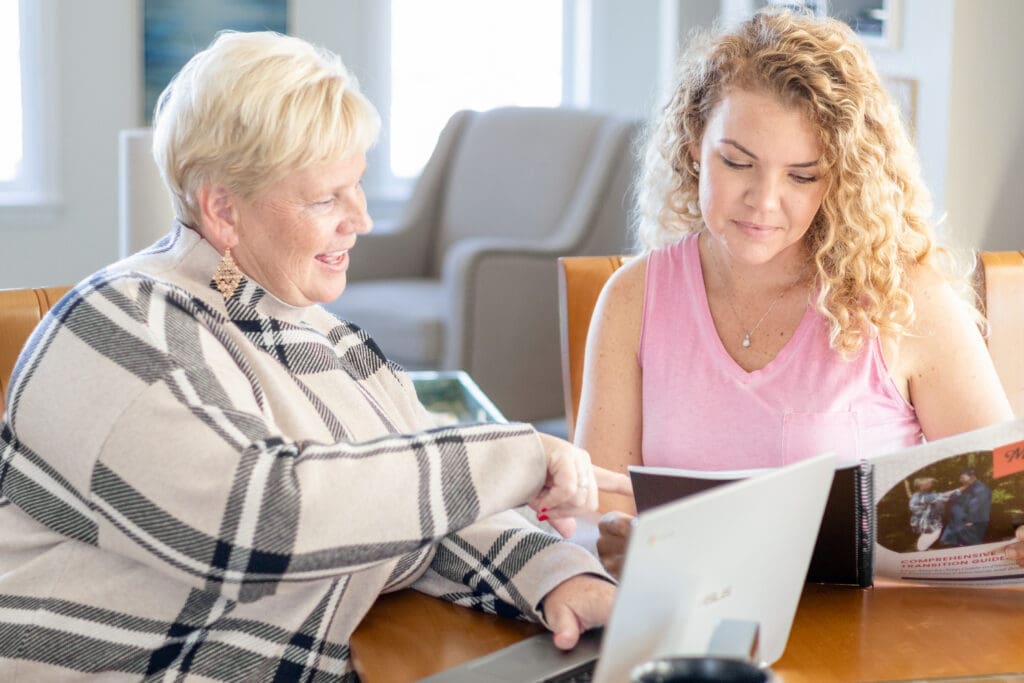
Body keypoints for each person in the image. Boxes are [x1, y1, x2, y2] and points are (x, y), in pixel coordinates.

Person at [0, 31, 631, 680]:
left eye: (355, 185)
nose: (359, 218)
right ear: (223, 210)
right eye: (326, 197)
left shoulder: (310, 329)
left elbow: (408, 506)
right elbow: (266, 521)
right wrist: (523, 454)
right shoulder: (113, 326)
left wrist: (559, 576)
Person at [580, 8, 1016, 577]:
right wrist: (614, 539)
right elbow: (602, 510)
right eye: (737, 162)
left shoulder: (903, 302)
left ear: (841, 176)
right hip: (689, 629)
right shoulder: (632, 299)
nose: (763, 201)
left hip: (871, 641)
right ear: (693, 144)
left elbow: (1004, 505)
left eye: (802, 175)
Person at [939, 468, 993, 547]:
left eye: (962, 478)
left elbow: (977, 505)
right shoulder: (968, 488)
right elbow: (954, 498)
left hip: (971, 522)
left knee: (972, 545)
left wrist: (970, 519)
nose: (960, 480)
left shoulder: (981, 488)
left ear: (972, 477)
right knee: (959, 545)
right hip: (958, 523)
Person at [908, 477, 960, 551]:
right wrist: (961, 489)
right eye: (928, 485)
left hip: (926, 523)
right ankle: (924, 551)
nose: (931, 486)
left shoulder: (917, 496)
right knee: (924, 545)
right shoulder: (924, 497)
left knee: (925, 543)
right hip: (928, 524)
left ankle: (926, 550)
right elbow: (943, 496)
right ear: (921, 486)